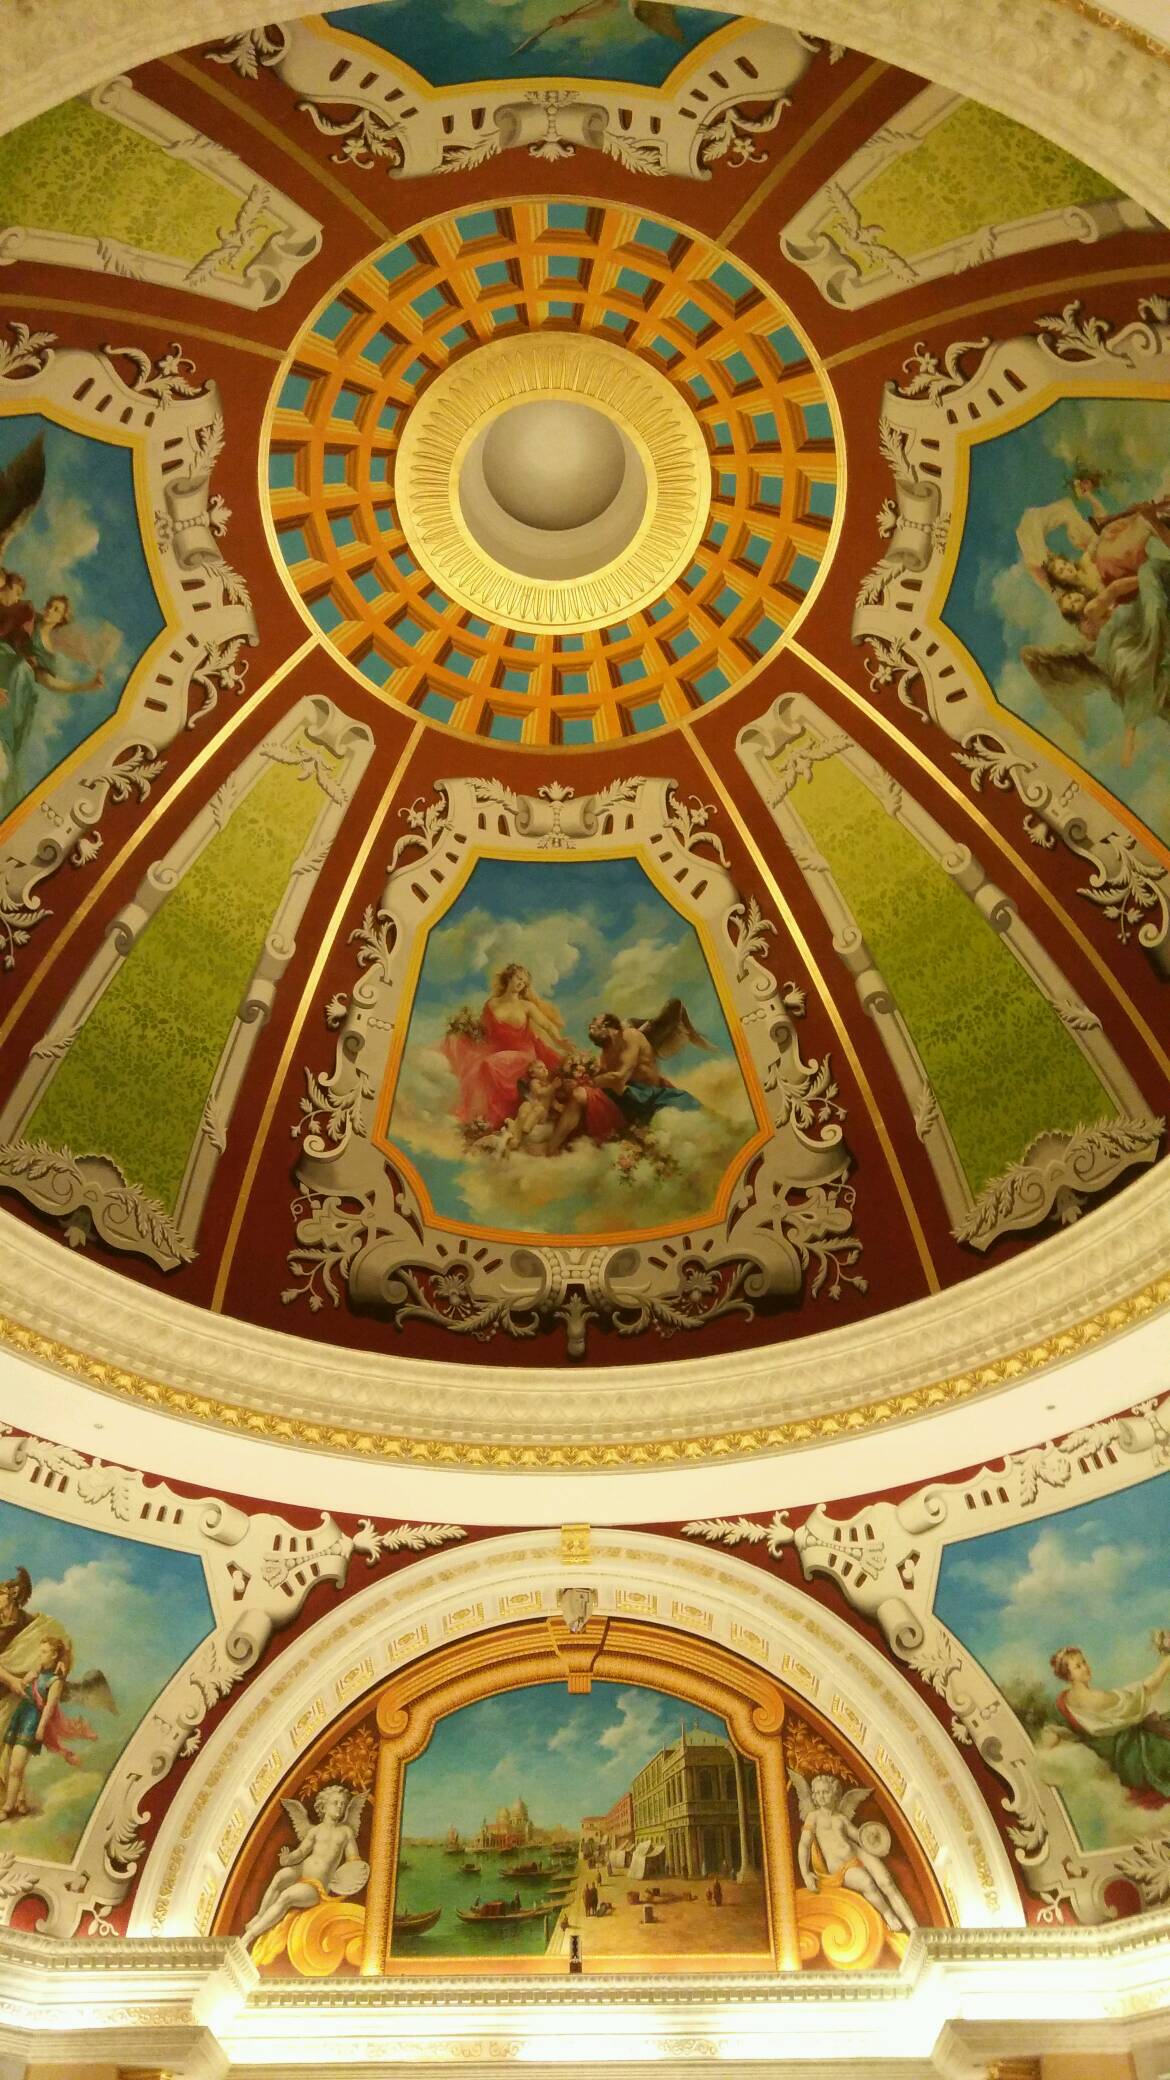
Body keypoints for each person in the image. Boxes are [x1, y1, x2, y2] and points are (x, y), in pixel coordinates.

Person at [0, 592, 106, 819]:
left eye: (56, 609)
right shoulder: (28, 618)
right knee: (20, 667)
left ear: (62, 618)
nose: (49, 609)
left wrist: (86, 685)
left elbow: (48, 681)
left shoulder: (47, 650)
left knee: (22, 672)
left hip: (13, 683)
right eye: (50, 605)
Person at [1043, 1639, 1170, 1806]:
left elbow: (1053, 1732)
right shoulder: (1098, 1699)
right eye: (1078, 1666)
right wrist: (1167, 1661)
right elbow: (1145, 1689)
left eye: (1084, 1662)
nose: (1085, 1667)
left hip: (1113, 1754)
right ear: (1069, 1675)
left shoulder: (1063, 1700)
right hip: (1129, 1753)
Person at [242, 1783, 369, 1948]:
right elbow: (301, 1852)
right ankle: (260, 1916)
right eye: (335, 1803)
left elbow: (353, 1858)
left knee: (286, 1897)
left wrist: (352, 1875)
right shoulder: (315, 1830)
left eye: (343, 1804)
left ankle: (250, 1936)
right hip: (301, 1869)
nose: (340, 1806)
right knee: (279, 1878)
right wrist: (287, 1859)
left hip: (317, 1885)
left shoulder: (345, 1831)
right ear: (323, 1806)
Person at [795, 1773, 917, 1935]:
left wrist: (874, 1837)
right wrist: (806, 1874)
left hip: (858, 1853)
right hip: (840, 1866)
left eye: (825, 1792)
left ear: (834, 1794)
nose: (821, 1796)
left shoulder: (841, 1818)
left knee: (887, 1882)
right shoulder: (813, 1817)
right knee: (867, 1883)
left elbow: (859, 1837)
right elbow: (804, 1845)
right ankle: (888, 1914)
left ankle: (914, 1928)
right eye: (817, 1793)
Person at [0, 1636, 94, 1819]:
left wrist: (41, 1728)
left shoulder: (55, 1681)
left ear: (54, 1655)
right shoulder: (37, 1671)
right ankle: (21, 1801)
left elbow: (50, 1707)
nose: (40, 1655)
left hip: (32, 1721)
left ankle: (7, 1807)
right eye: (40, 1651)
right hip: (21, 1715)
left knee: (15, 1767)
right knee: (15, 1763)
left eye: (44, 1652)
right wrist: (26, 1679)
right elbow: (22, 1686)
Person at [588, 1012, 702, 1128]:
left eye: (595, 1023)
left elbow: (620, 1077)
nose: (591, 1026)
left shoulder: (630, 1036)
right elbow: (607, 1081)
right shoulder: (605, 1055)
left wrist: (591, 1082)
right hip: (635, 1101)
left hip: (654, 1096)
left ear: (608, 1025)